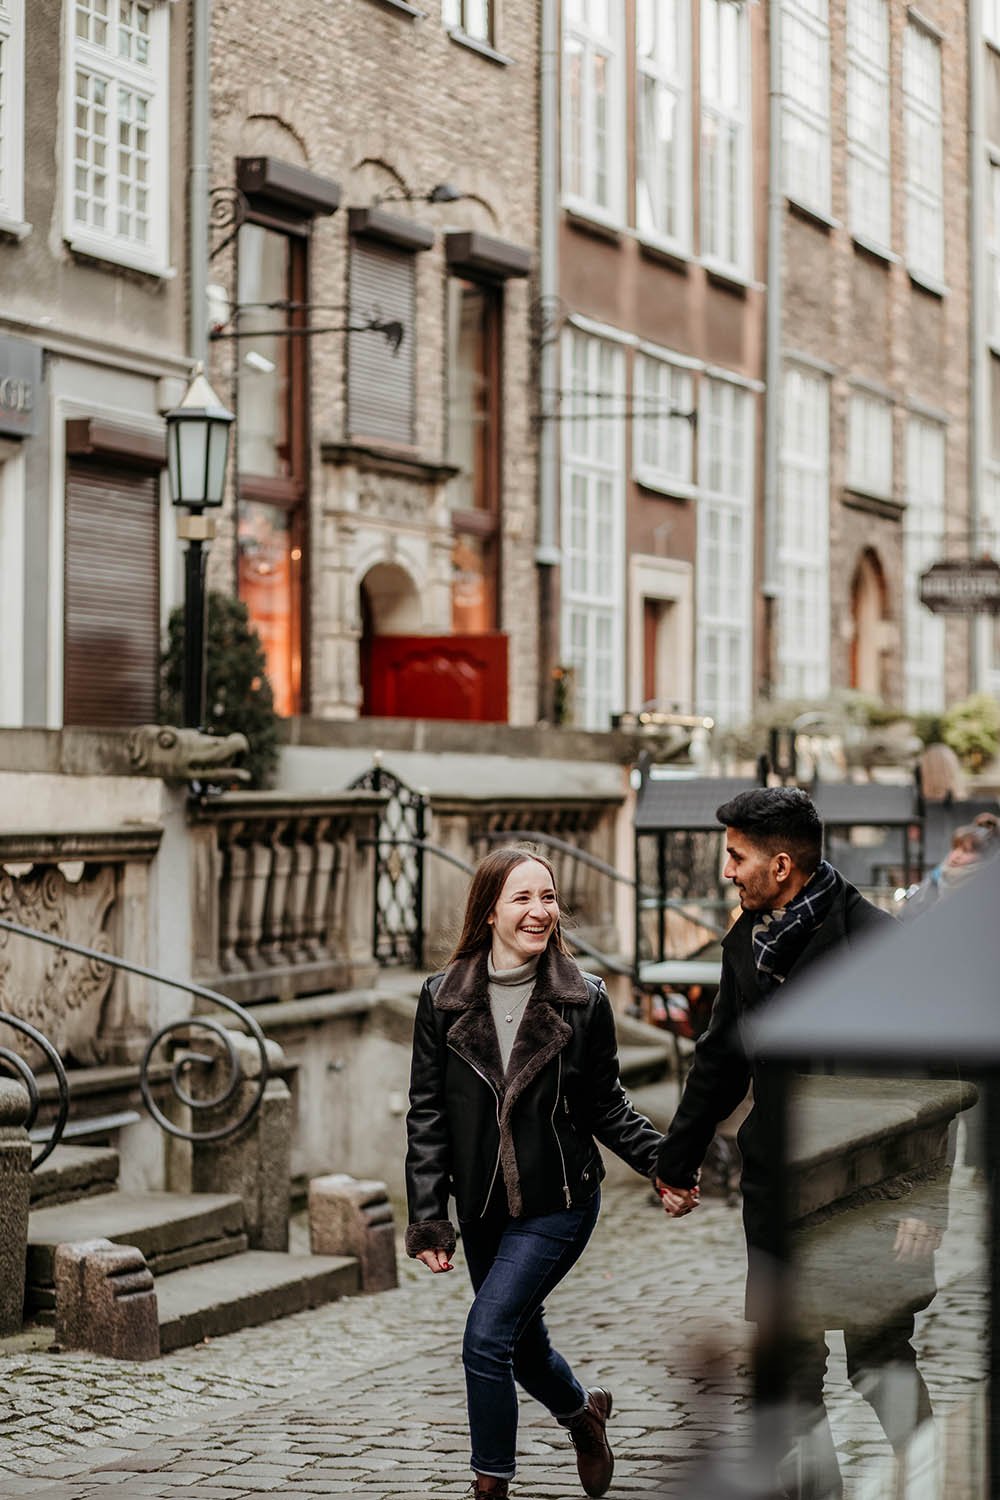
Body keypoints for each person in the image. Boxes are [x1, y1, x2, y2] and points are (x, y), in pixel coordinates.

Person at [653, 787, 934, 1497]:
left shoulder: (880, 945)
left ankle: (941, 1483)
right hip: (779, 1188)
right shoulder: (748, 940)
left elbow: (935, 1077)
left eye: (736, 857)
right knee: (788, 1371)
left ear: (782, 865)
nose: (726, 871)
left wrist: (925, 1202)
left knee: (877, 1360)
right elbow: (720, 1057)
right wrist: (676, 1162)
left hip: (870, 1190)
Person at [405, 845, 665, 1500]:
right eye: (522, 898)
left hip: (561, 1200)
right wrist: (431, 1216)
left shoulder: (584, 1001)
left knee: (486, 1338)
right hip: (485, 1208)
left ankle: (489, 1486)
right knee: (519, 1346)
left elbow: (606, 1105)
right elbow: (428, 1113)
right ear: (490, 911)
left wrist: (668, 1163)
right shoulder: (442, 1000)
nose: (539, 910)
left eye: (546, 897)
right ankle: (583, 1416)